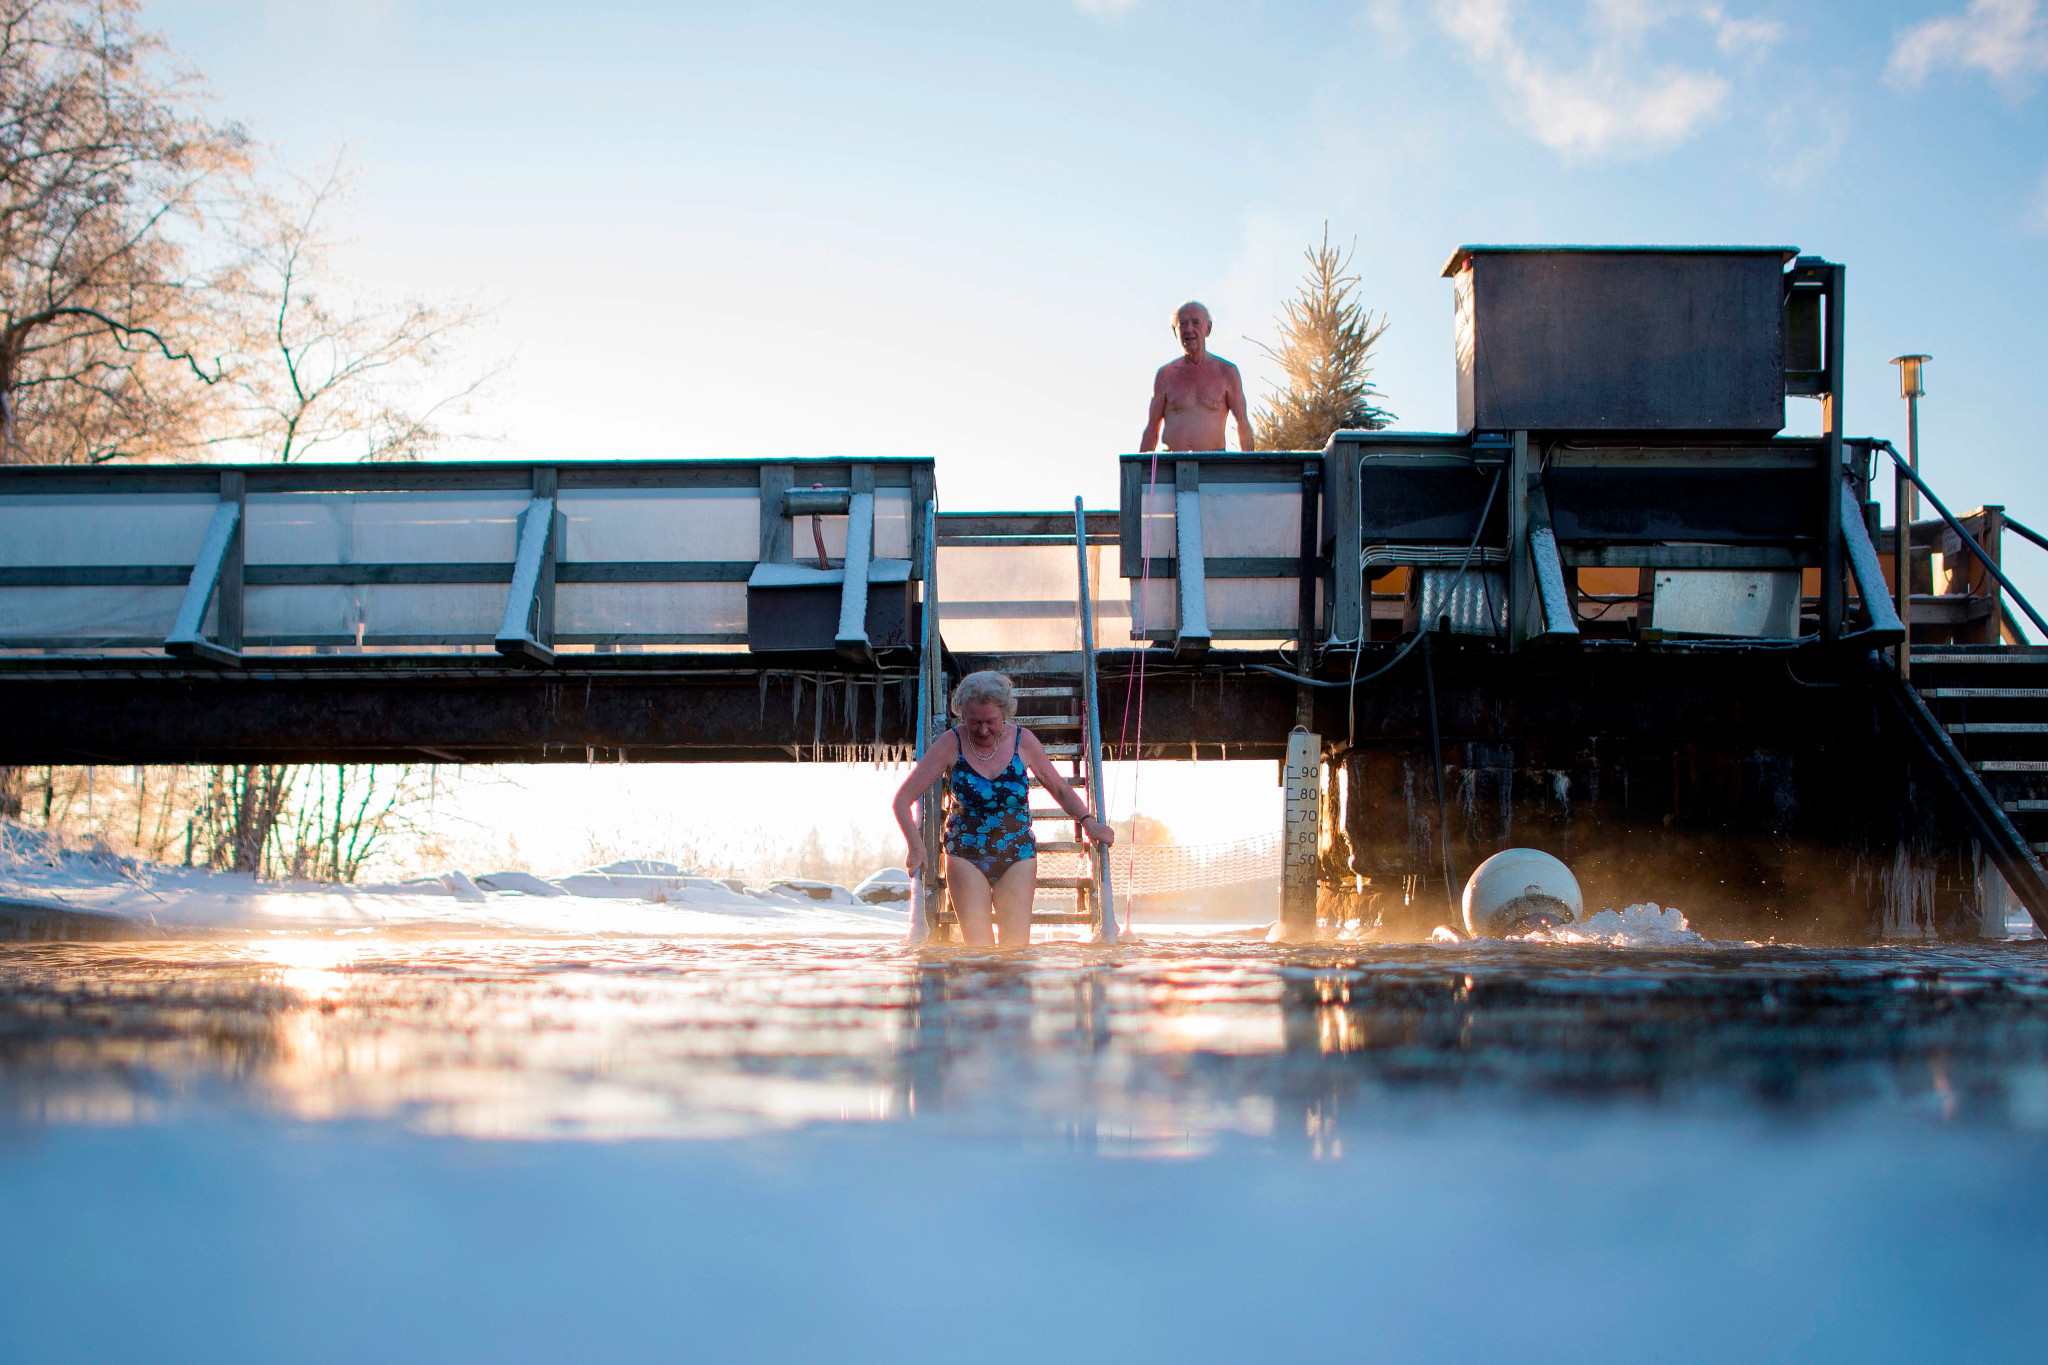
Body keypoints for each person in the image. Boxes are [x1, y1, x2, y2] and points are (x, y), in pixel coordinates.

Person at [892, 670, 1115, 947]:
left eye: (991, 721)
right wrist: (916, 846)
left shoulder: (1024, 741)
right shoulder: (951, 743)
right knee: (979, 951)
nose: (983, 730)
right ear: (963, 715)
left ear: (1005, 714)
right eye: (975, 722)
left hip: (1017, 854)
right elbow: (902, 800)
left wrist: (1087, 821)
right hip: (965, 855)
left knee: (1015, 950)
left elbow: (1060, 789)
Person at [1140, 300, 1256, 453]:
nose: (1189, 329)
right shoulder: (1165, 374)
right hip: (1171, 461)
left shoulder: (1227, 372)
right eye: (1182, 324)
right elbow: (1152, 427)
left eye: (1196, 323)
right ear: (1174, 331)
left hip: (1213, 462)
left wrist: (1248, 463)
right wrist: (1139, 464)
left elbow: (1242, 422)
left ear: (1208, 328)